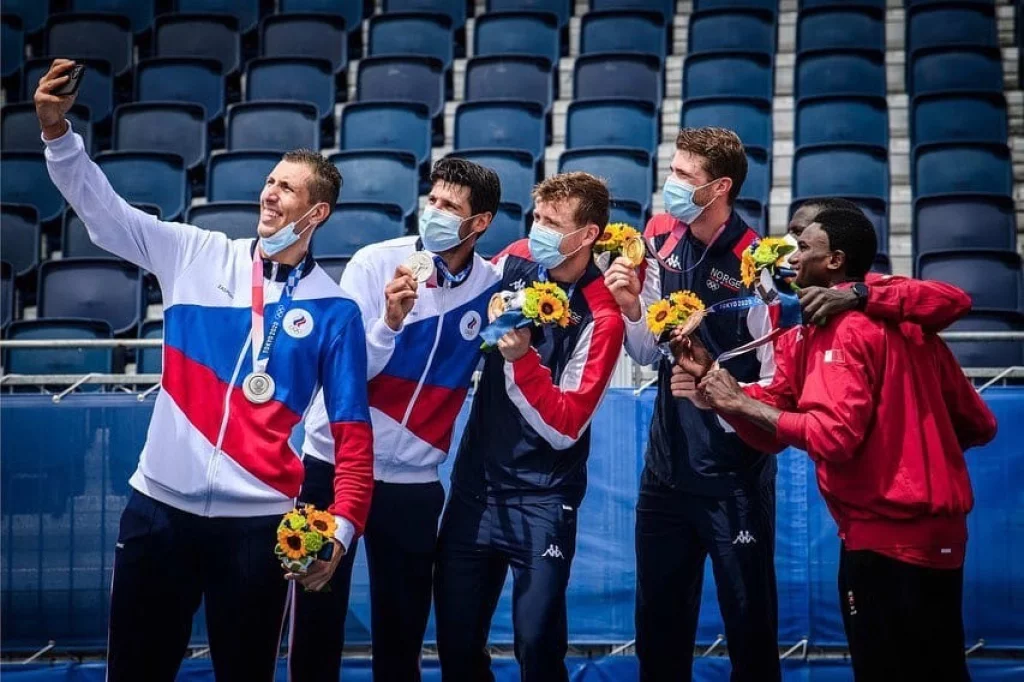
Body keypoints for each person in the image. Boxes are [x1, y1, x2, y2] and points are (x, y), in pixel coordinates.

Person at [36, 59, 374, 682]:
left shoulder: (335, 310)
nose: (269, 194)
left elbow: (352, 434)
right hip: (159, 509)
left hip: (259, 525)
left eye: (287, 188)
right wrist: (59, 137)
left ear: (317, 212)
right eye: (269, 181)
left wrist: (344, 529)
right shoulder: (195, 254)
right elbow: (108, 217)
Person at [675, 208, 998, 681]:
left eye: (803, 243)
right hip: (900, 528)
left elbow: (834, 436)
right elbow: (776, 421)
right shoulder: (812, 327)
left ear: (836, 260)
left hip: (892, 532)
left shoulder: (863, 316)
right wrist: (720, 388)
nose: (790, 253)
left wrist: (742, 404)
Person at [291, 158, 503, 681]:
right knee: (316, 613)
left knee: (402, 630)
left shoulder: (492, 286)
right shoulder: (375, 263)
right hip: (332, 464)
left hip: (412, 482)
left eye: (450, 206)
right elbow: (344, 373)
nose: (434, 212)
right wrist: (388, 323)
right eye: (433, 200)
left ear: (479, 223)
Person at [603, 127, 782, 681]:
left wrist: (720, 395)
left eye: (684, 175)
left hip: (736, 480)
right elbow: (645, 350)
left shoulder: (758, 265)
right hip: (665, 474)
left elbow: (778, 386)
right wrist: (631, 307)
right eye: (673, 170)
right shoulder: (659, 235)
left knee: (751, 634)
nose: (671, 183)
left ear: (719, 187)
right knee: (658, 635)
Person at [433, 172, 625, 681]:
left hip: (544, 497)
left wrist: (521, 361)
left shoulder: (602, 316)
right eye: (536, 217)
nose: (537, 230)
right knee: (455, 644)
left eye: (552, 223)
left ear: (587, 235)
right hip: (475, 488)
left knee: (537, 646)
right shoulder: (515, 258)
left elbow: (567, 425)